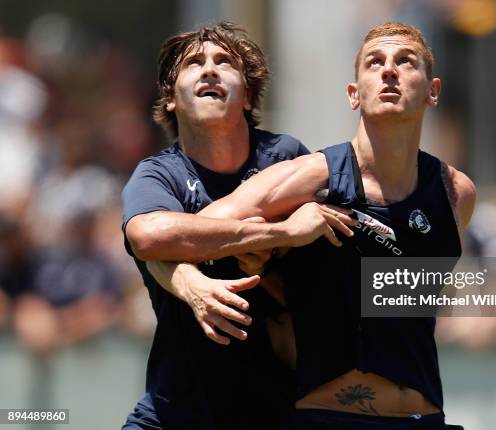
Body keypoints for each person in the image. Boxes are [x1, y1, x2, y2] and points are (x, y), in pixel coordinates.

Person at [170, 22, 476, 429]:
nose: (389, 71)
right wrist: (269, 241)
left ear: (432, 90)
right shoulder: (313, 177)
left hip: (425, 418)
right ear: (354, 94)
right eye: (375, 63)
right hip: (330, 419)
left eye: (405, 62)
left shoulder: (455, 193)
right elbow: (185, 234)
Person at [121, 22, 353, 430]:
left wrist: (260, 265)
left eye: (224, 62)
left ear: (247, 96)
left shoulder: (286, 157)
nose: (209, 70)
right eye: (194, 64)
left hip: (277, 412)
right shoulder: (157, 175)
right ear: (170, 99)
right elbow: (149, 236)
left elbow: (323, 281)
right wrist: (279, 235)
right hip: (173, 412)